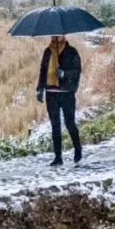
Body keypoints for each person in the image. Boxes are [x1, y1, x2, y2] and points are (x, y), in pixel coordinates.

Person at [36, 35, 82, 166]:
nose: (56, 36)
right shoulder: (48, 51)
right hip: (51, 93)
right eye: (54, 34)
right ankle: (58, 157)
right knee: (55, 126)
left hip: (67, 93)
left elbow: (77, 71)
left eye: (59, 34)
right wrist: (40, 89)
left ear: (64, 36)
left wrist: (64, 74)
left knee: (69, 123)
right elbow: (43, 71)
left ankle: (78, 149)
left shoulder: (72, 51)